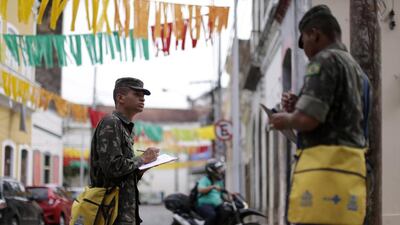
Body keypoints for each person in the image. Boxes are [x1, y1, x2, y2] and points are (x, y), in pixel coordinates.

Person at [269, 5, 369, 225]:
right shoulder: (354, 68)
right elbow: (341, 112)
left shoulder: (324, 61)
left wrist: (282, 119)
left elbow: (308, 120)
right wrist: (299, 104)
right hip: (349, 174)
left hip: (323, 177)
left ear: (314, 33)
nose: (305, 49)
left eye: (304, 41)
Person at [89, 77, 160, 225]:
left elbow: (122, 176)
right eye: (137, 95)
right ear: (120, 98)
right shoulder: (111, 123)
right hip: (110, 215)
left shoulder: (123, 127)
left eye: (143, 96)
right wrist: (142, 159)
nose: (142, 99)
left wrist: (142, 168)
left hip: (123, 214)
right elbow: (113, 168)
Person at [196, 159, 225, 225]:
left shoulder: (219, 181)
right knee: (211, 215)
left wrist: (230, 194)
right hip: (204, 205)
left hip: (217, 204)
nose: (220, 171)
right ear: (212, 170)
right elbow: (200, 190)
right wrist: (212, 187)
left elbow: (221, 192)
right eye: (218, 169)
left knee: (226, 212)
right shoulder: (205, 180)